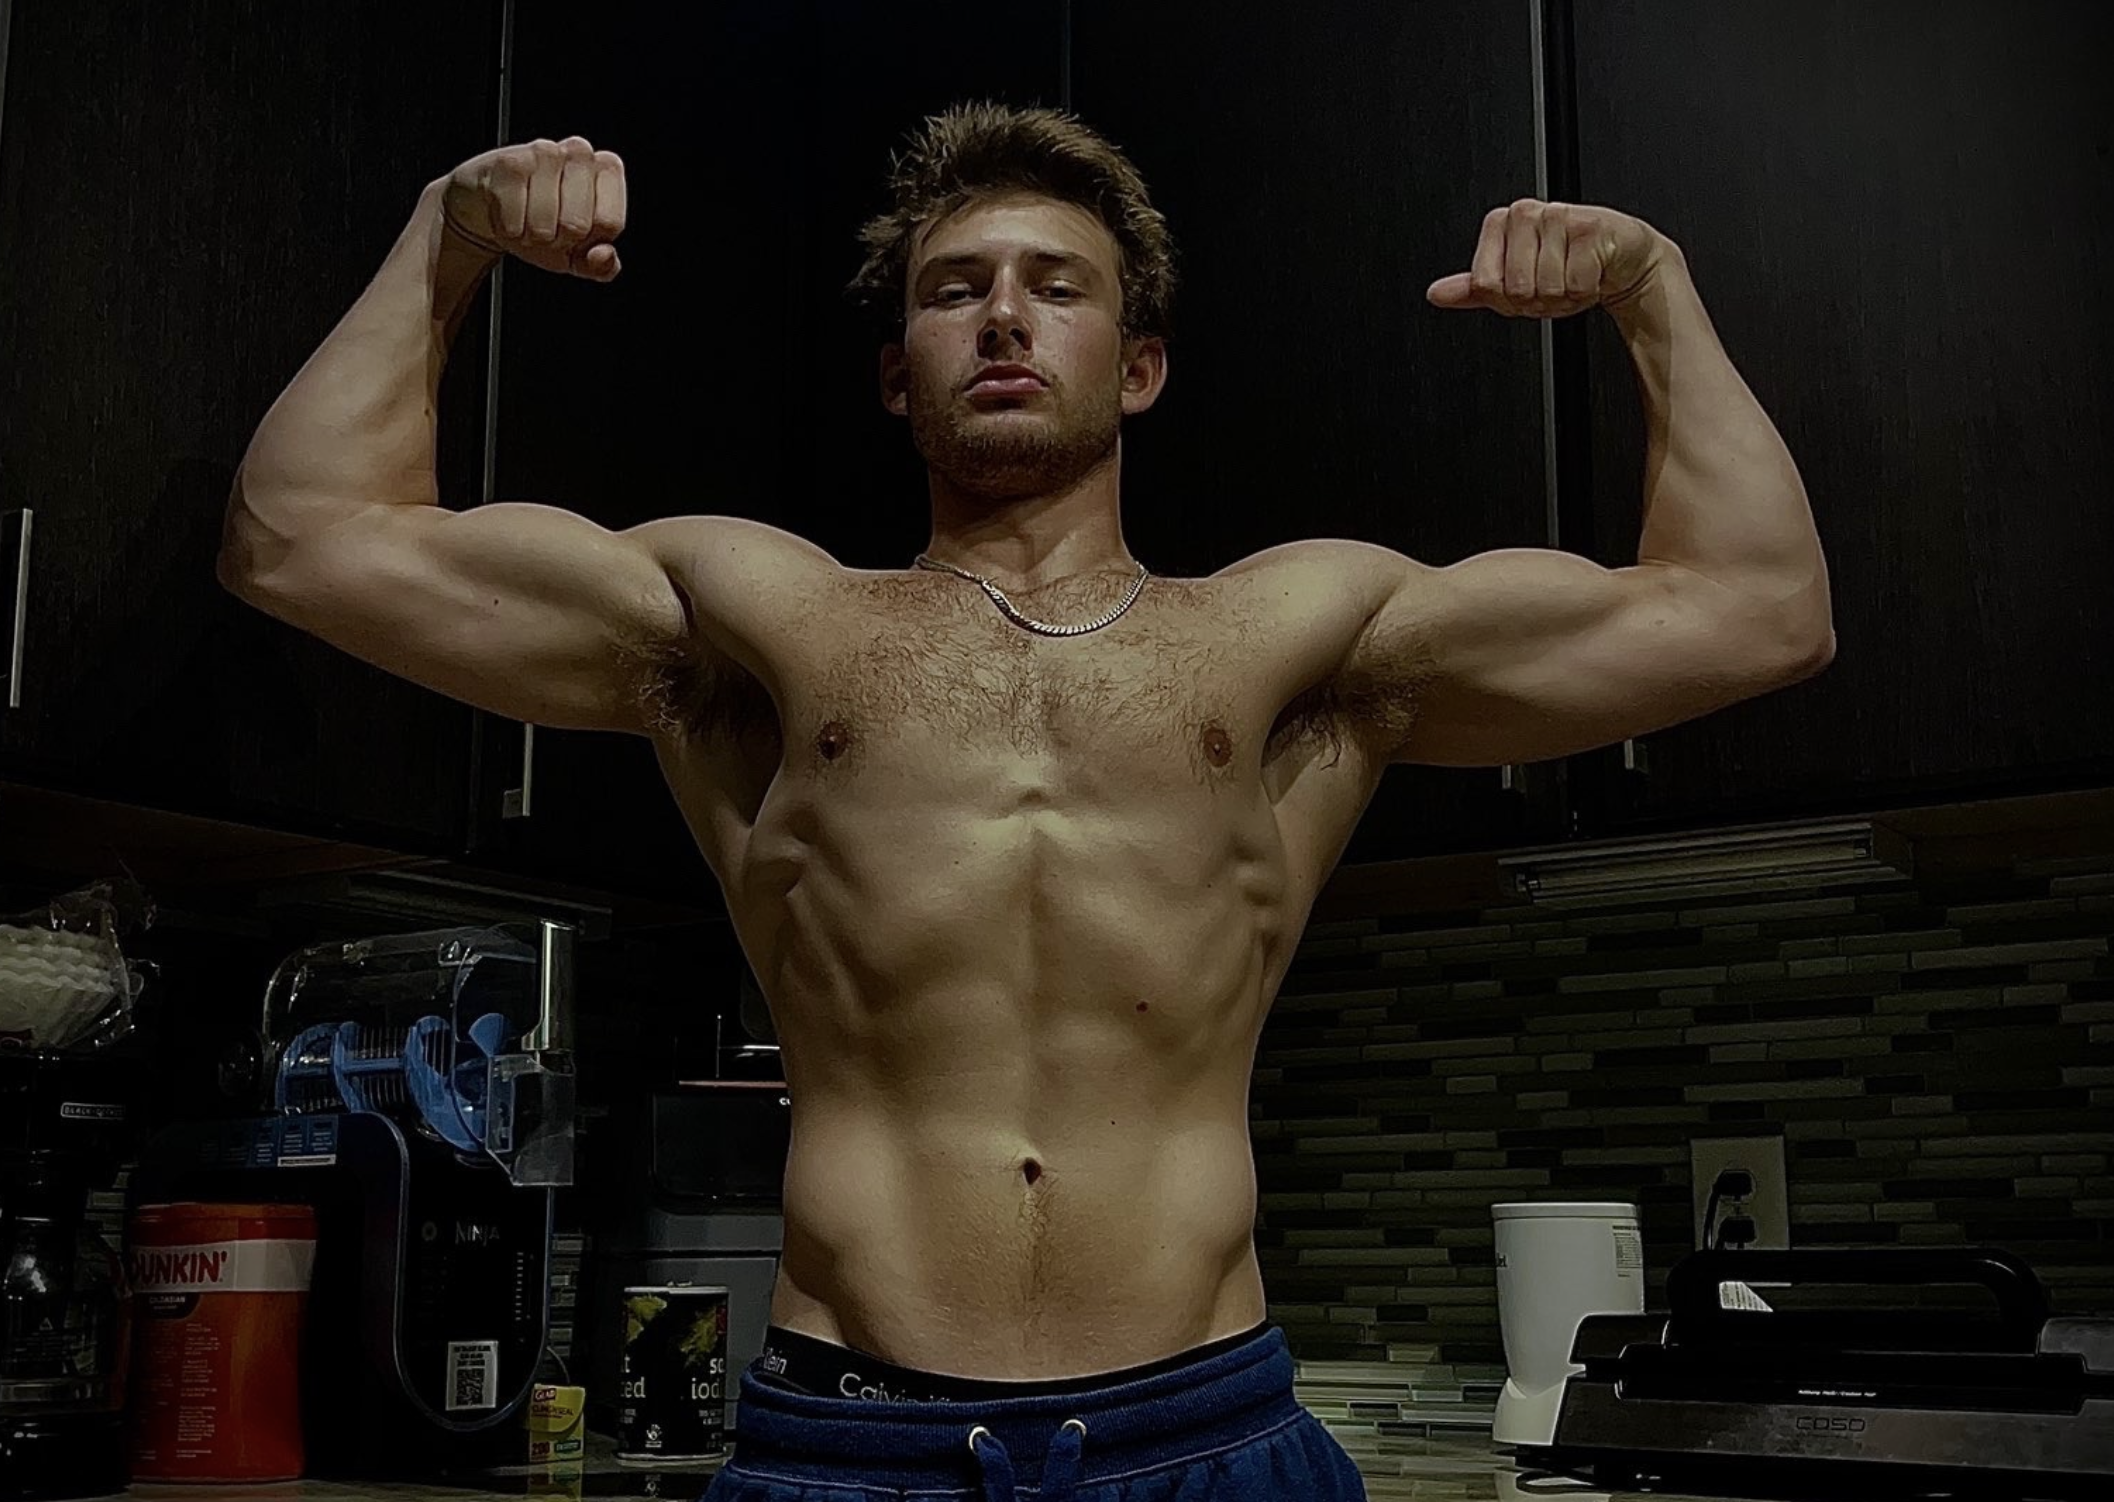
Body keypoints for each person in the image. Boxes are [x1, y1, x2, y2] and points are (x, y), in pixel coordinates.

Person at [219, 100, 1832, 1501]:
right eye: (954, 290)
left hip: (1204, 1430)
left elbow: (1755, 610)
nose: (1002, 318)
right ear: (892, 373)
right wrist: (446, 235)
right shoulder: (757, 623)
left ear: (1135, 367)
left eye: (1054, 289)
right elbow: (300, 539)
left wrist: (1650, 291)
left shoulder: (1298, 635)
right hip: (846, 1441)